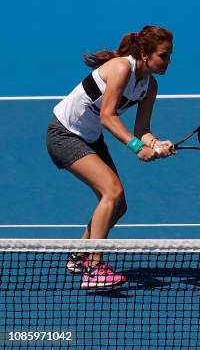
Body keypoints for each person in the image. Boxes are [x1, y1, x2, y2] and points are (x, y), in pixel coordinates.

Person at [46, 25, 175, 288]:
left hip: (90, 138)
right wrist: (138, 147)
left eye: (170, 56)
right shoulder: (121, 68)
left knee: (119, 204)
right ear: (146, 54)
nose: (168, 61)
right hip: (64, 135)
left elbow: (143, 130)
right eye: (163, 55)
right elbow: (107, 116)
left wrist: (157, 144)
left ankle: (80, 254)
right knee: (112, 191)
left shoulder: (150, 86)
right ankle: (93, 269)